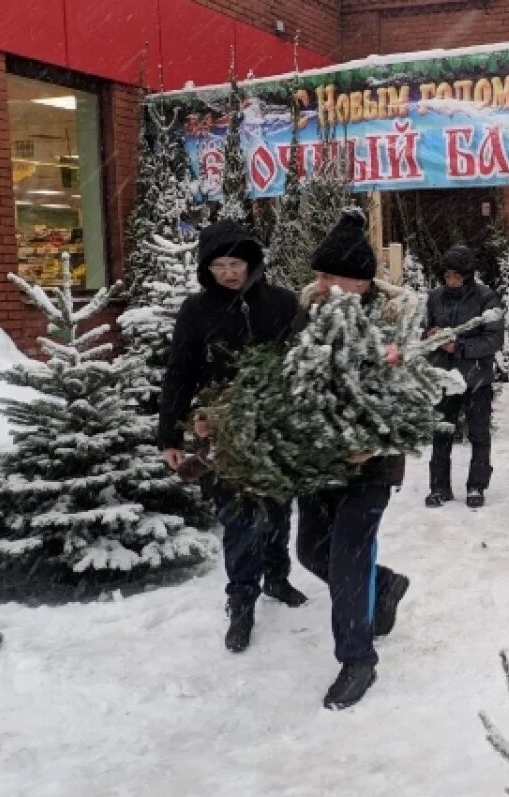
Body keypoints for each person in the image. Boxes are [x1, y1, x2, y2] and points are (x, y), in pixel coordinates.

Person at [157, 219, 307, 654]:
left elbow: (303, 361)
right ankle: (241, 601)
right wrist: (170, 434)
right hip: (220, 430)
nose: (228, 272)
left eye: (235, 263)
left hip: (273, 427)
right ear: (207, 269)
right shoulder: (196, 311)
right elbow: (179, 372)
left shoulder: (281, 304)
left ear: (251, 263)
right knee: (238, 518)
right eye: (219, 265)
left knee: (278, 508)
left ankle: (277, 577)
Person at [294, 209, 412, 710]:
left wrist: (377, 439)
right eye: (318, 275)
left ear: (359, 282)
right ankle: (385, 583)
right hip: (317, 462)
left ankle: (357, 660)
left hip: (370, 468)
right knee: (311, 554)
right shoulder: (306, 319)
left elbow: (414, 397)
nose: (318, 284)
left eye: (328, 275)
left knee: (347, 561)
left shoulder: (395, 324)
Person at [423, 245, 504, 509]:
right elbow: (423, 330)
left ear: (467, 275)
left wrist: (458, 347)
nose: (451, 280)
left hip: (476, 377)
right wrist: (430, 336)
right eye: (447, 275)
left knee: (478, 433)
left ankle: (476, 486)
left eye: (456, 275)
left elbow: (493, 340)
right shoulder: (435, 297)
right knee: (441, 431)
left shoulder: (486, 298)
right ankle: (438, 487)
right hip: (445, 376)